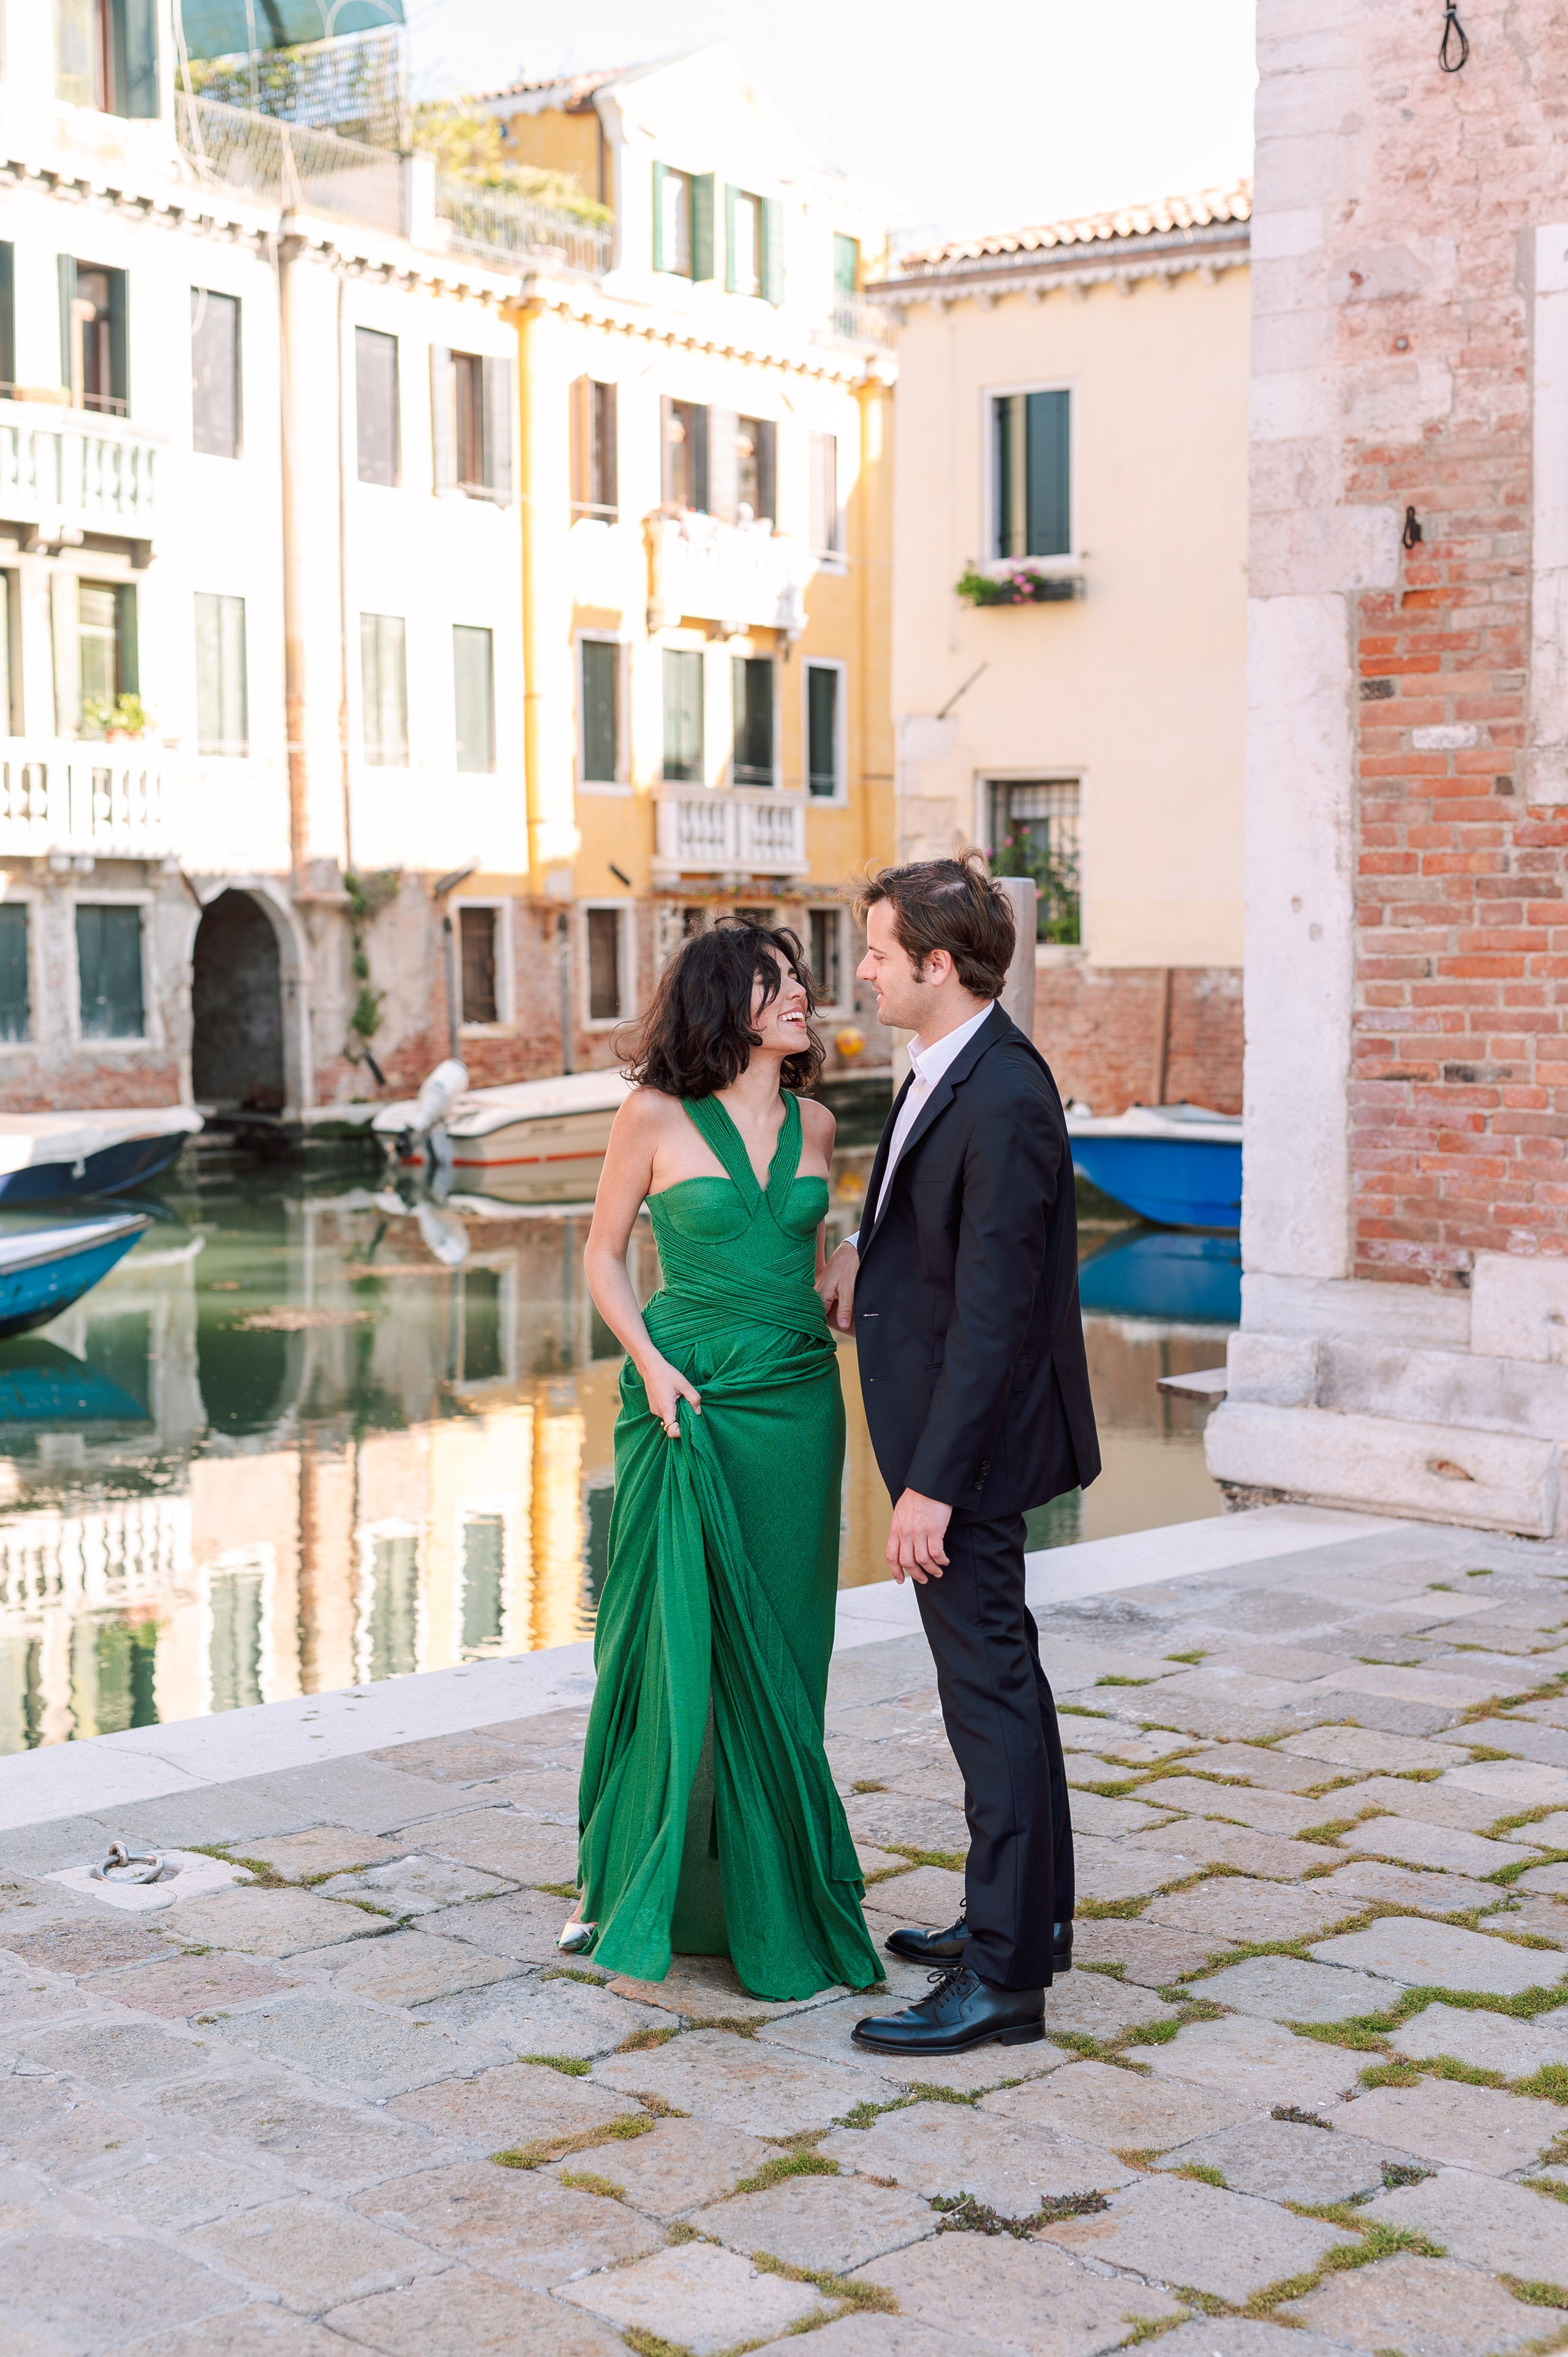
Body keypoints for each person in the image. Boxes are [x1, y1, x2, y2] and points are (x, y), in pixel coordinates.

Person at [817, 856, 1099, 2056]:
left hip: (967, 1454)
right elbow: (939, 1261)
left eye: (878, 952)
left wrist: (927, 1485)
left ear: (937, 966)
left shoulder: (1001, 1094)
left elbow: (993, 1316)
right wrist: (859, 1272)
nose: (864, 971)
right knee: (1008, 1682)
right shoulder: (954, 1068)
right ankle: (1025, 1923)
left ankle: (1000, 1982)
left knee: (983, 1697)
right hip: (959, 1436)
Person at [570, 918, 880, 2001]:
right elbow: (604, 1257)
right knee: (678, 1642)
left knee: (788, 1645)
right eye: (774, 981)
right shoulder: (652, 1115)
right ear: (722, 1003)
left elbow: (809, 1256)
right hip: (686, 1401)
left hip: (797, 1401)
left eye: (801, 979)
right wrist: (648, 1363)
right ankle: (656, 1887)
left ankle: (774, 1888)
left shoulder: (822, 1123)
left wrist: (845, 1261)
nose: (802, 995)